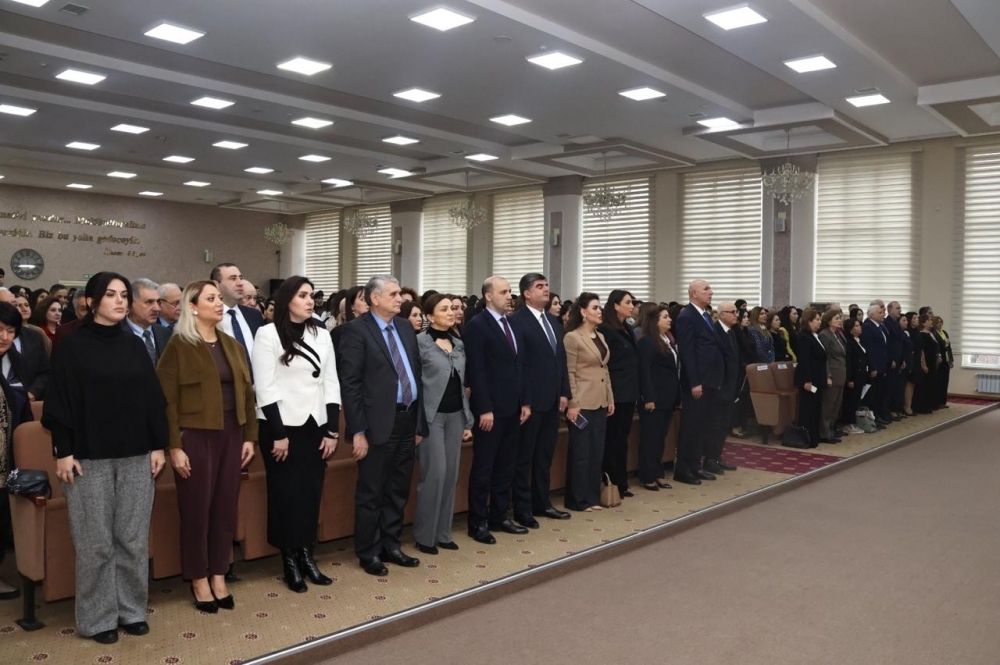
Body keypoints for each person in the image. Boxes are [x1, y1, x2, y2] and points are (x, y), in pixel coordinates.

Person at [41, 272, 168, 644]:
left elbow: (152, 400)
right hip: (87, 458)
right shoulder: (71, 344)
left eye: (124, 295)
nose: (119, 301)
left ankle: (131, 610)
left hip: (136, 455)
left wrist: (158, 446)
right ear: (91, 301)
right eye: (111, 294)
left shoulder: (134, 345)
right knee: (95, 543)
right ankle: (97, 619)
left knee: (132, 539)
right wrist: (63, 451)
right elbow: (59, 401)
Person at [156, 280, 257, 612]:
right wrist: (174, 446)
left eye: (219, 298)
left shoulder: (232, 345)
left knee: (225, 508)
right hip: (195, 436)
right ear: (193, 307)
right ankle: (198, 578)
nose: (218, 303)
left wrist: (249, 437)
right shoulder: (179, 345)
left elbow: (247, 394)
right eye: (211, 298)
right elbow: (166, 400)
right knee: (196, 509)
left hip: (232, 432)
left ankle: (219, 573)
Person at [252, 276, 340, 590]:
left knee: (310, 493)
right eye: (302, 295)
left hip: (314, 425)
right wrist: (278, 433)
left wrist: (332, 430)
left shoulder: (322, 333)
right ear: (287, 299)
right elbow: (265, 387)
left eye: (311, 295)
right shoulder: (267, 333)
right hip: (281, 427)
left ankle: (307, 554)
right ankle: (289, 558)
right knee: (285, 495)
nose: (309, 301)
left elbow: (331, 381)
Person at [340, 275, 425, 575]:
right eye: (393, 294)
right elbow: (350, 385)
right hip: (376, 424)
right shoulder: (355, 330)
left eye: (400, 293)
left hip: (407, 419)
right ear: (374, 298)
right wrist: (358, 431)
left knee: (398, 490)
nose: (400, 298)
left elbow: (416, 375)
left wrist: (419, 425)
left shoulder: (404, 327)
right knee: (372, 492)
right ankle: (369, 552)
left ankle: (391, 545)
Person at [462, 276, 531, 544]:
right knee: (484, 468)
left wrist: (525, 401)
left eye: (510, 291)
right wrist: (484, 408)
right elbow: (476, 370)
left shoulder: (511, 324)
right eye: (503, 292)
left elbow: (520, 365)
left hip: (513, 407)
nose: (509, 296)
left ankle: (500, 516)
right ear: (488, 296)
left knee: (506, 466)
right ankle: (477, 522)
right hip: (490, 410)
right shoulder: (477, 326)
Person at [508, 273, 571, 527]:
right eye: (540, 286)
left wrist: (564, 392)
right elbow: (519, 364)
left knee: (544, 456)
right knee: (524, 458)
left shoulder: (553, 321)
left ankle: (542, 503)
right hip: (531, 402)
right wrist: (525, 399)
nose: (546, 290)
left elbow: (560, 360)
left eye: (547, 285)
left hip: (553, 400)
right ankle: (522, 509)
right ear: (526, 293)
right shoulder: (517, 321)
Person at [413, 294, 473, 554]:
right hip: (431, 418)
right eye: (444, 309)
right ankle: (424, 536)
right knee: (435, 475)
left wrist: (467, 420)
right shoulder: (419, 343)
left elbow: (461, 385)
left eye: (452, 308)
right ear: (429, 316)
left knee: (451, 476)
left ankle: (443, 533)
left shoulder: (458, 343)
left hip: (456, 415)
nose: (451, 312)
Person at [563, 293, 614, 511]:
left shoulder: (600, 336)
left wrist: (610, 398)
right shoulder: (573, 337)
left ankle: (592, 497)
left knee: (596, 451)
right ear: (583, 312)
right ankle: (577, 499)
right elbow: (569, 373)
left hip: (600, 401)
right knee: (581, 453)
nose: (599, 311)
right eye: (595, 308)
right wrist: (573, 403)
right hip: (581, 403)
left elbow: (605, 369)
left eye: (599, 308)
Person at [674, 280, 725, 485]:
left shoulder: (704, 315)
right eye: (706, 289)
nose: (711, 292)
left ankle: (696, 465)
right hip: (697, 382)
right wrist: (694, 382)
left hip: (709, 380)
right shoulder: (686, 316)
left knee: (702, 425)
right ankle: (683, 468)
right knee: (691, 426)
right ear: (693, 293)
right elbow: (687, 352)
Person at [599, 289, 639, 499]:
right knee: (613, 439)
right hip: (615, 392)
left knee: (622, 439)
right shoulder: (606, 329)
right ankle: (611, 482)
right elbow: (606, 363)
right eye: (628, 302)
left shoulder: (627, 328)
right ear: (615, 305)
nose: (632, 306)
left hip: (629, 391)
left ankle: (621, 482)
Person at [637, 305, 679, 491]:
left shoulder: (666, 339)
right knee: (650, 439)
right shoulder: (647, 341)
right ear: (655, 321)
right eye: (665, 317)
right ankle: (647, 476)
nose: (669, 319)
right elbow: (644, 371)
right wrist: (648, 397)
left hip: (667, 397)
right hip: (654, 398)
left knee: (661, 438)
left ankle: (658, 473)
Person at [705, 302, 740, 472]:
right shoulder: (715, 331)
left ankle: (717, 456)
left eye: (736, 311)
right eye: (731, 312)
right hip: (719, 386)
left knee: (724, 424)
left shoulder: (731, 332)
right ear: (721, 314)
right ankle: (710, 459)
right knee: (715, 424)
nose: (736, 315)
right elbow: (713, 361)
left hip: (730, 386)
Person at [212, 263, 265, 373]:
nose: (240, 283)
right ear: (216, 285)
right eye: (233, 278)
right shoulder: (209, 318)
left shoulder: (254, 316)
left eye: (240, 278)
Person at [0, 294, 50, 401]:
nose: (4, 337)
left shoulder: (16, 356)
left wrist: (31, 394)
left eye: (10, 331)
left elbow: (45, 371)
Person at [794, 309, 828, 448]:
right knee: (808, 408)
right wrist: (807, 380)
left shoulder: (815, 336)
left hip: (817, 378)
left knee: (815, 408)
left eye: (820, 319)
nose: (820, 322)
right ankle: (807, 437)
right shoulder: (804, 337)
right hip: (809, 379)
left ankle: (814, 435)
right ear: (808, 321)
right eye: (817, 320)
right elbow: (804, 360)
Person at [122, 278, 172, 366]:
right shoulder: (115, 333)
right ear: (130, 304)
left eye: (158, 302)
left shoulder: (165, 333)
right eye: (149, 302)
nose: (157, 308)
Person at [818, 310, 846, 443]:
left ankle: (831, 430)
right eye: (836, 318)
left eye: (840, 318)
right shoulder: (824, 335)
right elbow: (825, 358)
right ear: (829, 321)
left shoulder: (837, 335)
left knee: (836, 406)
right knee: (828, 406)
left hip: (840, 374)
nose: (839, 320)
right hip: (832, 374)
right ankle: (824, 433)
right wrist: (828, 375)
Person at [861, 303, 891, 425]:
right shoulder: (868, 327)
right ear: (872, 315)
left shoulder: (881, 327)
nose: (883, 314)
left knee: (880, 393)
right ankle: (872, 417)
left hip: (882, 364)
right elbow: (869, 349)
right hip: (875, 366)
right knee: (873, 394)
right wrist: (872, 367)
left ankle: (878, 415)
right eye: (880, 312)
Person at [841, 318, 868, 434]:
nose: (860, 327)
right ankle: (848, 423)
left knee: (856, 400)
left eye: (859, 325)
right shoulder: (849, 342)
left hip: (861, 374)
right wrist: (850, 378)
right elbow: (849, 361)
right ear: (850, 329)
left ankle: (853, 422)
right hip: (854, 376)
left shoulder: (859, 340)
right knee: (850, 401)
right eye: (856, 326)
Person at [330, 285, 368, 357]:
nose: (367, 303)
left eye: (368, 299)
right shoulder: (339, 332)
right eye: (362, 299)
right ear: (352, 306)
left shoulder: (374, 328)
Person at [914, 314, 940, 414]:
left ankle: (930, 404)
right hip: (927, 361)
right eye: (928, 320)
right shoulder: (922, 334)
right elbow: (922, 351)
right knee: (925, 384)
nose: (931, 321)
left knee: (931, 383)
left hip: (932, 361)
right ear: (923, 323)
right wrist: (923, 364)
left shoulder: (931, 333)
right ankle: (923, 406)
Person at [933, 316, 953, 408]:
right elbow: (939, 346)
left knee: (945, 381)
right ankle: (937, 402)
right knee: (939, 382)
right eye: (938, 322)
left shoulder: (944, 332)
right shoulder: (934, 333)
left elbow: (949, 348)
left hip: (946, 359)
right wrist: (945, 343)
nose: (940, 324)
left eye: (941, 322)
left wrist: (951, 360)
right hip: (940, 360)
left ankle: (943, 401)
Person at [900, 313, 917, 416]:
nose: (906, 322)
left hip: (910, 361)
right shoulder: (901, 334)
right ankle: (904, 407)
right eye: (904, 320)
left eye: (906, 320)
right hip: (903, 362)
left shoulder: (906, 333)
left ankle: (908, 406)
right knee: (903, 385)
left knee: (910, 383)